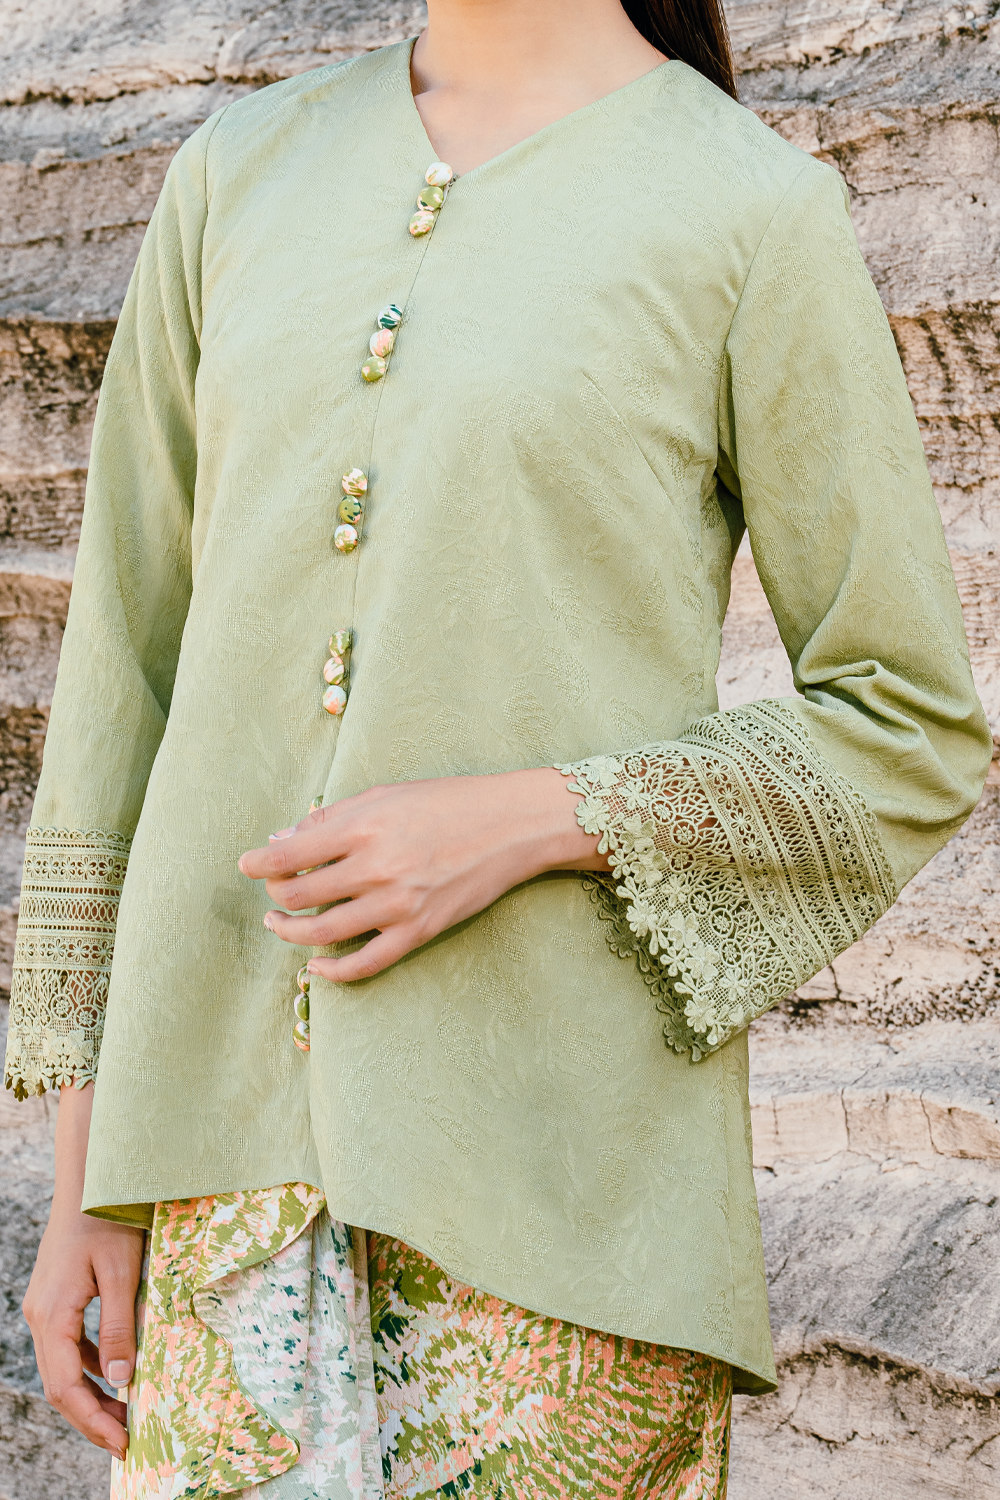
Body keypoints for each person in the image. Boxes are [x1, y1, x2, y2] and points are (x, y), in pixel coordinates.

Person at [8, 0, 990, 1495]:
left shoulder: (749, 208)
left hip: (568, 1211)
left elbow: (907, 720)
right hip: (219, 1206)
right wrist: (88, 1178)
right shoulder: (237, 170)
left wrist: (532, 817)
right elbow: (119, 689)